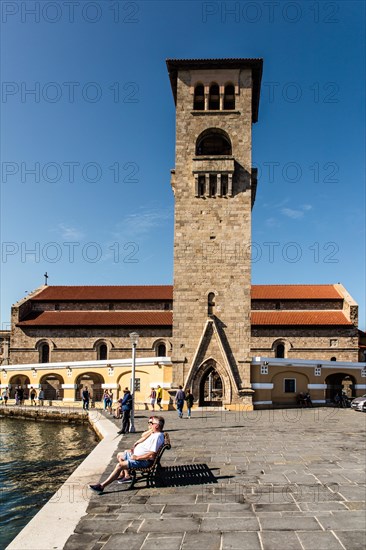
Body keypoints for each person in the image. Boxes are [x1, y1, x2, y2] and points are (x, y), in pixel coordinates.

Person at [89, 416, 165, 493]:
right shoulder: (154, 433)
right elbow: (143, 437)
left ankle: (102, 486)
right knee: (120, 455)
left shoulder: (158, 436)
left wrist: (137, 457)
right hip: (138, 456)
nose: (149, 425)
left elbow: (152, 454)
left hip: (144, 461)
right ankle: (126, 476)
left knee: (119, 465)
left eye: (151, 423)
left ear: (157, 425)